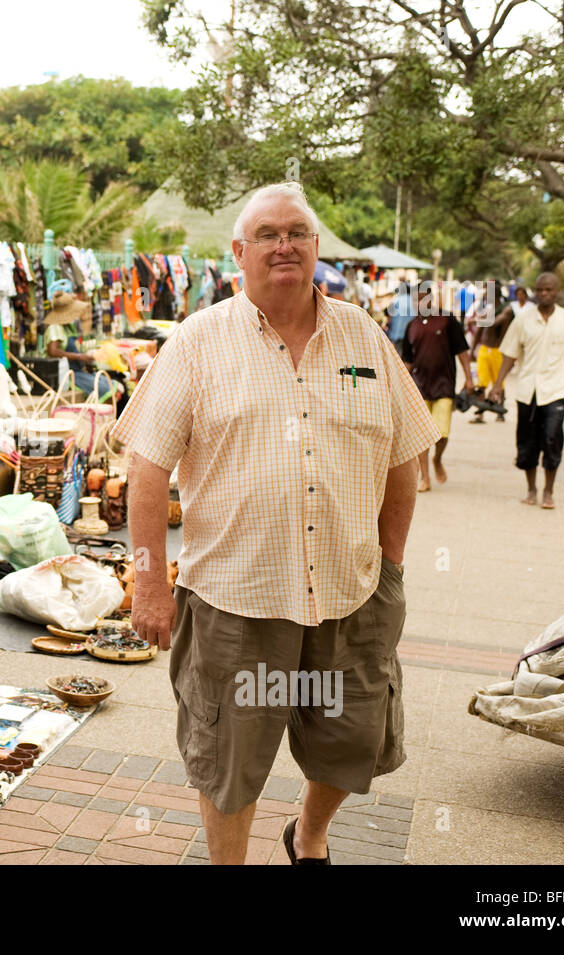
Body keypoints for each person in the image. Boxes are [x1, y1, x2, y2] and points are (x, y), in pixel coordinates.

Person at [114, 182, 440, 866]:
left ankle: (310, 835)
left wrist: (392, 564)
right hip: (239, 601)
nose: (284, 244)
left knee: (350, 739)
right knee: (230, 758)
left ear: (316, 248)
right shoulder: (198, 342)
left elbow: (405, 453)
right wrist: (147, 583)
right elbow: (145, 471)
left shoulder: (363, 336)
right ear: (239, 251)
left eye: (297, 232)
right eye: (267, 234)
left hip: (351, 597)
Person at [487, 272, 564, 509]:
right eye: (539, 290)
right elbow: (509, 353)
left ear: (557, 291)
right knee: (527, 442)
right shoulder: (523, 319)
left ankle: (549, 492)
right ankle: (531, 489)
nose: (543, 294)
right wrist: (497, 384)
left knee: (551, 439)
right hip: (528, 390)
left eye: (548, 290)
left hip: (556, 390)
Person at [400, 281, 475, 490]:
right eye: (416, 299)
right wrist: (395, 383)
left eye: (423, 298)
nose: (419, 302)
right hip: (420, 386)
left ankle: (438, 458)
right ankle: (425, 477)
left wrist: (469, 378)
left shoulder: (446, 320)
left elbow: (461, 351)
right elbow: (407, 360)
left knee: (442, 433)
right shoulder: (412, 326)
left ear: (431, 299)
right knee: (422, 436)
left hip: (444, 384)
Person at [41, 280, 120, 400]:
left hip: (77, 370)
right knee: (104, 390)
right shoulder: (55, 328)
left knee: (110, 384)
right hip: (66, 375)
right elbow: (53, 351)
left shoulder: (67, 327)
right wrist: (79, 357)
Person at [469, 284, 520, 422]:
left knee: (499, 382)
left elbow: (494, 322)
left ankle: (500, 411)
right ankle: (480, 412)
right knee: (481, 382)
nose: (485, 297)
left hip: (498, 350)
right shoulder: (487, 309)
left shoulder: (507, 310)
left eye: (487, 295)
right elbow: (479, 330)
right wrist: (472, 350)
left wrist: (476, 319)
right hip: (485, 349)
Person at [386, 281, 414, 347]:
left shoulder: (396, 300)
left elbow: (389, 317)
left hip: (397, 335)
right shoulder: (414, 302)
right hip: (410, 336)